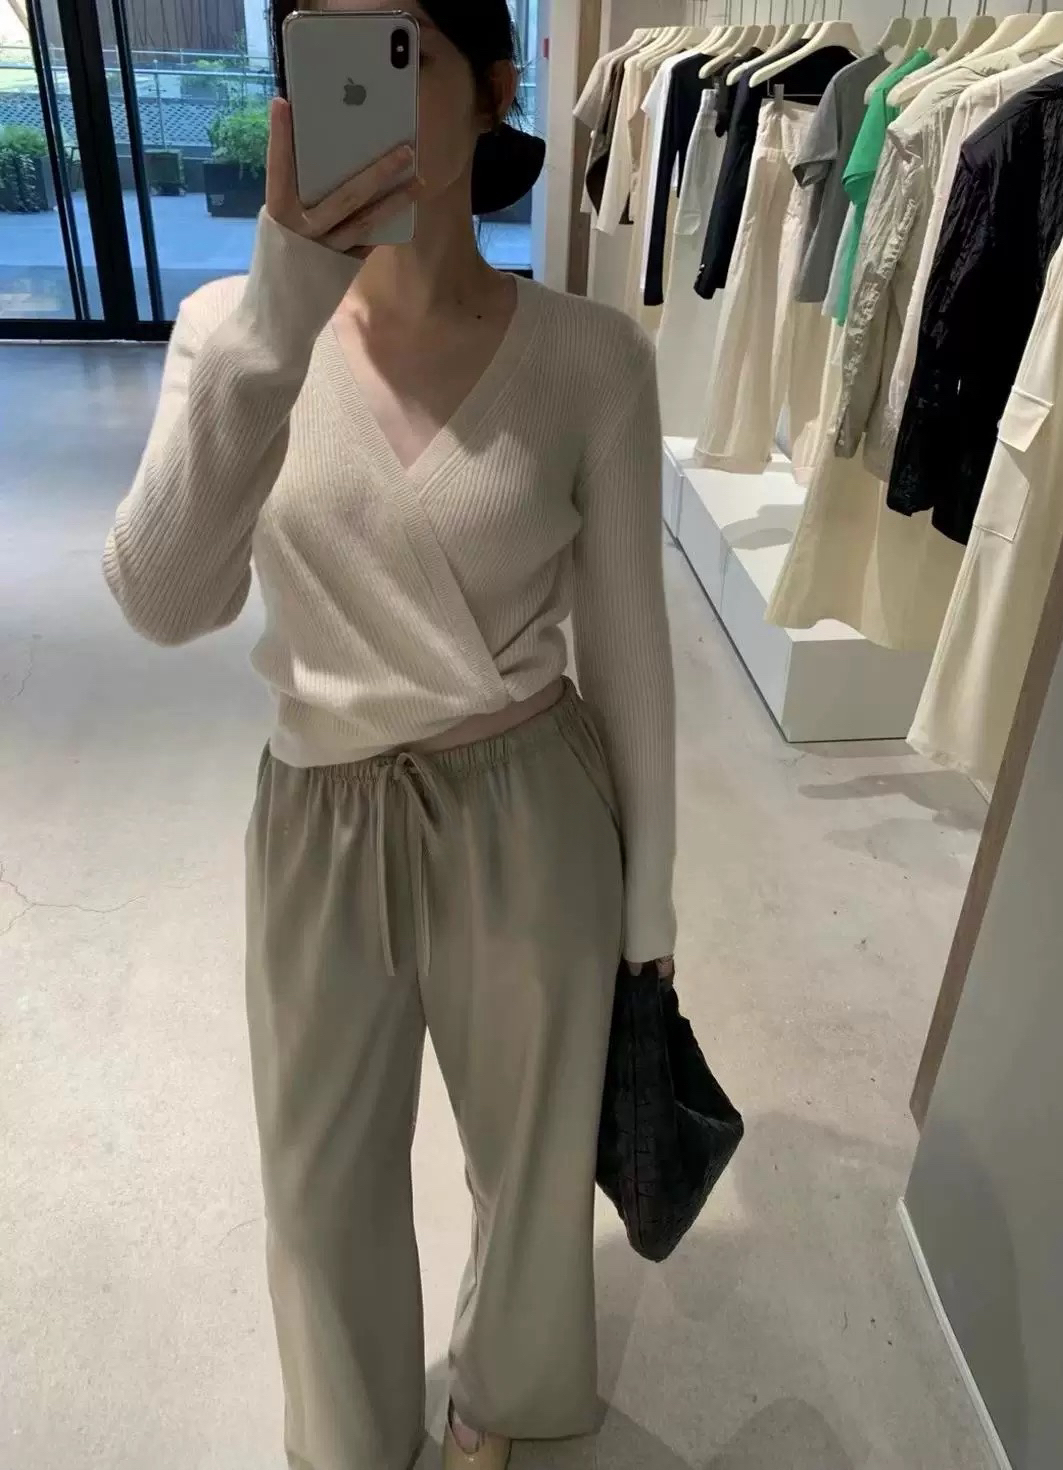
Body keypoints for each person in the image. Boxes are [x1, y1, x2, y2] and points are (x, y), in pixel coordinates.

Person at [104, 1, 676, 1466]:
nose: (369, 88)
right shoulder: (230, 337)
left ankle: (499, 1397)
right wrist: (276, 320)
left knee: (529, 1170)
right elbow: (165, 600)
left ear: (493, 87)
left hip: (527, 804)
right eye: (328, 53)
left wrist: (649, 919)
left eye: (403, 48)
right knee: (316, 1191)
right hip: (319, 814)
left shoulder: (591, 359)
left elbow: (630, 658)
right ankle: (355, 1438)